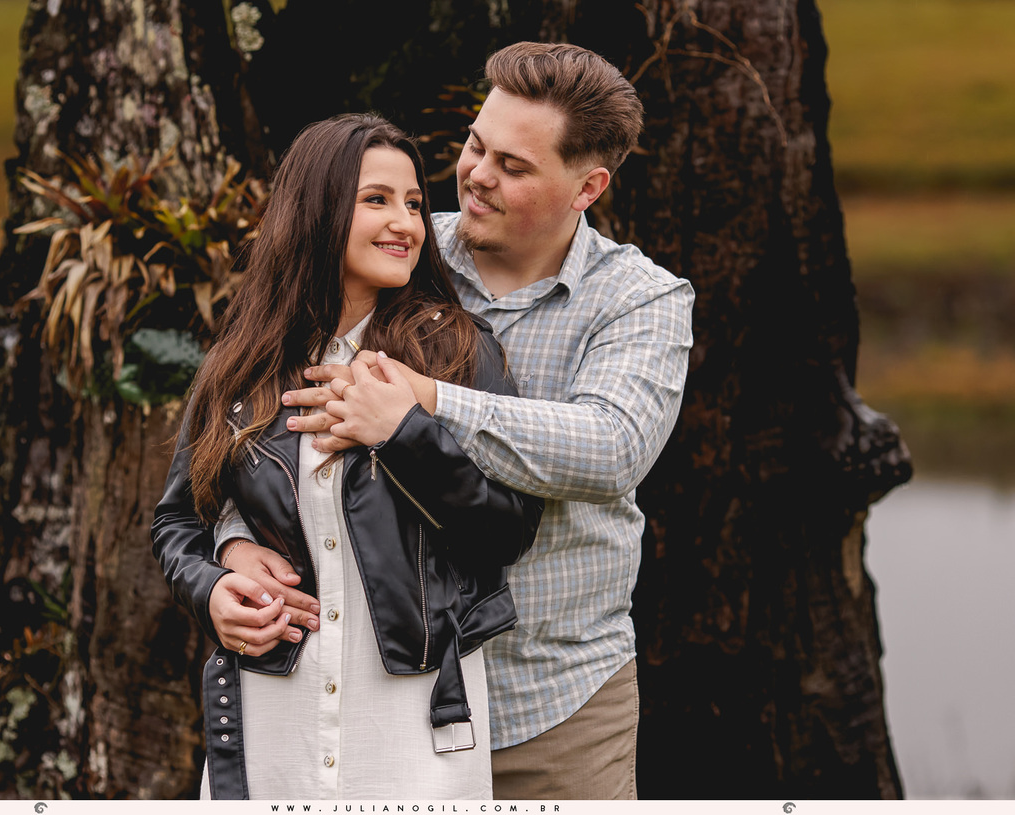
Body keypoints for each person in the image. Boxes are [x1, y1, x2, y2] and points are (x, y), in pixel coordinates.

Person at [220, 43, 695, 799]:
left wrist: (426, 401)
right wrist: (234, 541)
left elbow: (612, 448)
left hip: (555, 700)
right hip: (388, 696)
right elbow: (266, 412)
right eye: (477, 144)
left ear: (588, 187)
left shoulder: (640, 299)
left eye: (513, 165)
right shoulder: (401, 245)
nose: (476, 173)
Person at [151, 113, 542, 800]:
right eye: (377, 199)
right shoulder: (239, 365)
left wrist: (401, 432)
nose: (407, 223)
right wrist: (213, 584)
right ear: (317, 210)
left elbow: (505, 532)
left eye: (415, 203)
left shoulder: (458, 351)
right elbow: (178, 521)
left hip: (413, 725)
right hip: (273, 716)